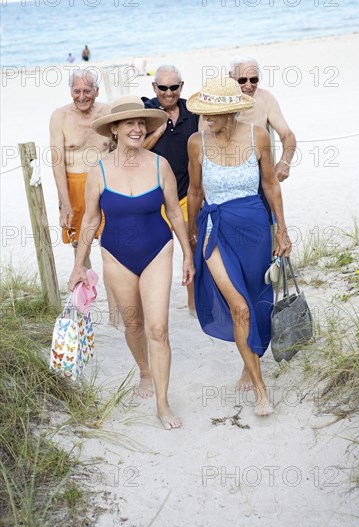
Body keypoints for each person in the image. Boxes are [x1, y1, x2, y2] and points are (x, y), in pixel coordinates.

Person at [67, 96, 195, 430]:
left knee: (158, 328)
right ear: (115, 129)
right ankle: (144, 371)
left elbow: (175, 216)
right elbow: (91, 222)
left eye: (142, 124)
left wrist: (188, 255)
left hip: (157, 250)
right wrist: (79, 265)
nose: (137, 129)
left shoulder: (159, 165)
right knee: (134, 325)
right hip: (116, 255)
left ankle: (163, 404)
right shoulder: (99, 172)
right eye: (130, 124)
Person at [186, 77, 292, 416]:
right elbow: (194, 193)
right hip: (214, 229)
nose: (205, 118)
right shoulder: (196, 142)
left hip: (255, 228)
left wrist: (282, 231)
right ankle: (262, 390)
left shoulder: (257, 135)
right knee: (239, 308)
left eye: (211, 113)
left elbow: (270, 184)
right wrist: (190, 236)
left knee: (259, 302)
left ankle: (249, 365)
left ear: (231, 111)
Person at [142, 65, 199, 315]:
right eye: (163, 87)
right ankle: (154, 307)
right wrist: (158, 130)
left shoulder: (192, 111)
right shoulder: (145, 112)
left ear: (181, 87)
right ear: (154, 88)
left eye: (173, 87)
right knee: (155, 257)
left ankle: (193, 303)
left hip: (186, 195)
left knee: (193, 248)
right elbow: (134, 151)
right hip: (154, 200)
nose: (168, 92)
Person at [50, 68, 110, 268]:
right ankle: (85, 294)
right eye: (77, 91)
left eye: (87, 91)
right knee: (79, 245)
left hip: (105, 184)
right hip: (74, 186)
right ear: (71, 91)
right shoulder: (60, 116)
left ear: (97, 91)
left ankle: (117, 295)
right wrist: (64, 202)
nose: (82, 97)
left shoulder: (107, 113)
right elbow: (57, 162)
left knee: (110, 243)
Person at [229, 56, 296, 227]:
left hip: (262, 178)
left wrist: (285, 162)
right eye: (242, 80)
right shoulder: (220, 102)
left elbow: (287, 134)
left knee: (268, 230)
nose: (248, 85)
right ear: (231, 77)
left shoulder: (265, 99)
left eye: (254, 80)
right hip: (229, 179)